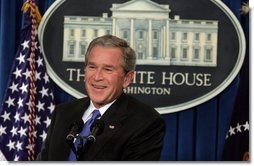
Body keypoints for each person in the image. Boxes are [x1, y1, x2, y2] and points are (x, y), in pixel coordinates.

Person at [36, 35, 165, 161]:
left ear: (127, 79)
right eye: (92, 67)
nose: (97, 77)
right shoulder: (63, 112)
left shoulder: (145, 122)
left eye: (108, 69)